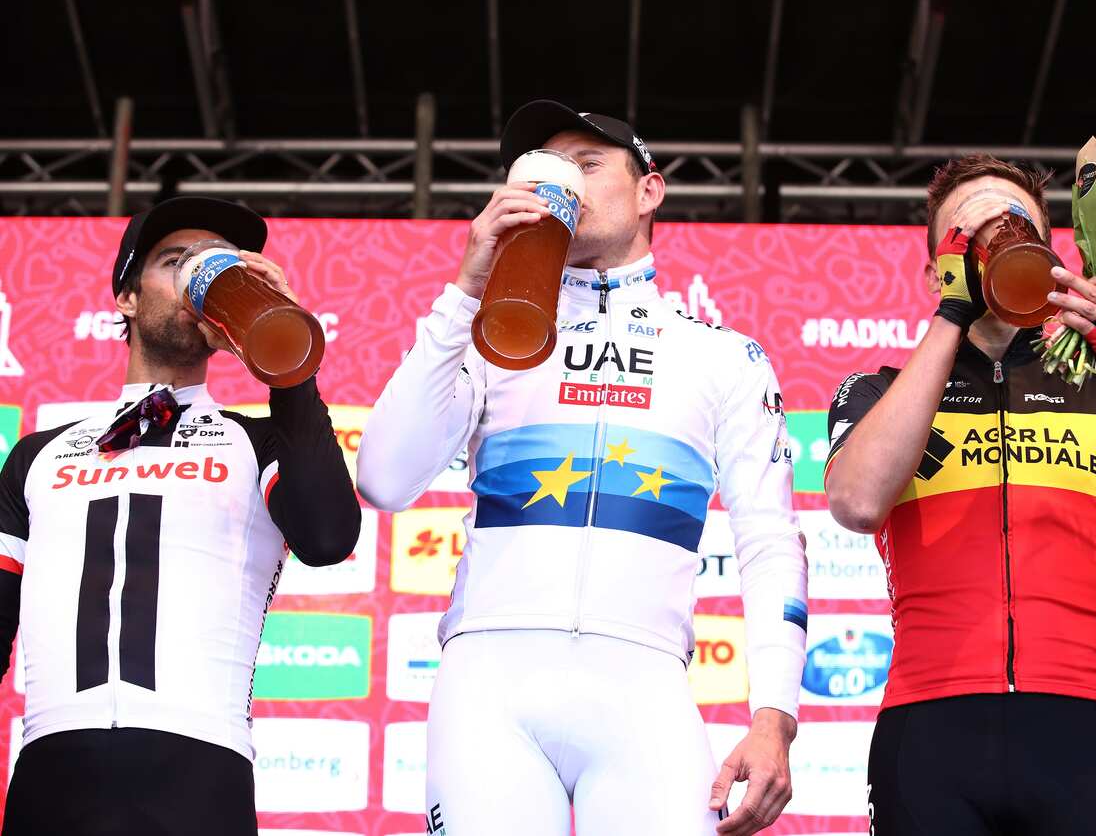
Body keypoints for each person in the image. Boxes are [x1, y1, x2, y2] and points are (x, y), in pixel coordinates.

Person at [358, 100, 808, 836]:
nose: (559, 182)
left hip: (646, 686)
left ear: (649, 192)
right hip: (490, 683)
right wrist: (466, 290)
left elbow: (769, 542)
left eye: (587, 164)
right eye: (543, 169)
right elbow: (382, 477)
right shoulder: (486, 333)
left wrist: (775, 717)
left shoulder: (722, 355)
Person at [823, 154, 1096, 836]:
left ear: (1046, 249)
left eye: (1011, 225)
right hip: (929, 732)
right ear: (933, 272)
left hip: (1083, 729)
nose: (991, 245)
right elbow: (857, 502)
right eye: (965, 236)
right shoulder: (881, 391)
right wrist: (952, 314)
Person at [0, 196, 362, 836]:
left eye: (221, 264)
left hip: (200, 769)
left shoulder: (257, 443)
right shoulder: (37, 453)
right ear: (127, 297)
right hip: (53, 766)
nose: (201, 275)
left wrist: (282, 352)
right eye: (176, 261)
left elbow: (329, 537)